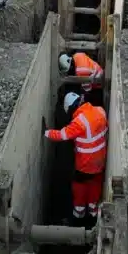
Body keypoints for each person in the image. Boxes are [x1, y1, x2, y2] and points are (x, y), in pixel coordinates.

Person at [45, 91, 108, 224]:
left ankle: (78, 217)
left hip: (85, 164)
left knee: (79, 187)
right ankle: (93, 215)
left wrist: (46, 132)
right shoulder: (100, 111)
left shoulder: (79, 122)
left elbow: (62, 135)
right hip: (100, 161)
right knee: (95, 184)